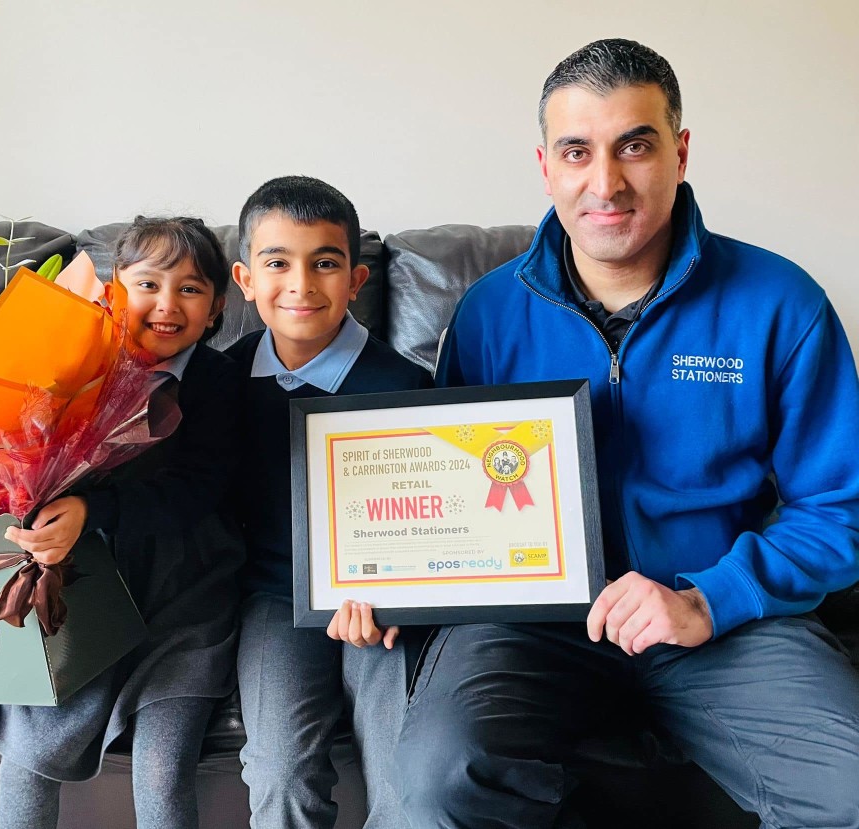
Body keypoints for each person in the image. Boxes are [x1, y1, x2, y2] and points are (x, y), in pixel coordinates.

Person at [396, 38, 859, 828]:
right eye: (577, 151)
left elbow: (840, 508)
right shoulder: (488, 313)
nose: (604, 182)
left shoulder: (782, 302)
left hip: (717, 615)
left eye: (634, 146)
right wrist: (386, 580)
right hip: (530, 627)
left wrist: (710, 598)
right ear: (546, 166)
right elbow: (447, 505)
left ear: (679, 153)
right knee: (437, 778)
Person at [0, 216, 244, 829]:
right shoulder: (66, 368)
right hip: (77, 599)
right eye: (147, 284)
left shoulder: (220, 382)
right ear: (115, 289)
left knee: (164, 772)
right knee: (29, 756)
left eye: (191, 289)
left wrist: (95, 511)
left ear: (217, 306)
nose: (167, 305)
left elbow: (199, 490)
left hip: (185, 602)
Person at [226, 175, 432, 829]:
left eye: (325, 263)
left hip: (383, 598)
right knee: (281, 770)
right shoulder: (221, 383)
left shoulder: (407, 387)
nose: (302, 284)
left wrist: (404, 596)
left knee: (407, 771)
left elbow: (435, 514)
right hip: (275, 598)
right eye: (277, 262)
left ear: (356, 280)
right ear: (245, 278)